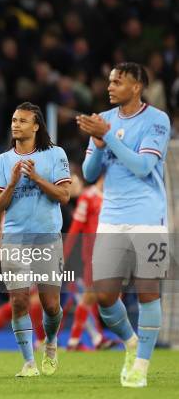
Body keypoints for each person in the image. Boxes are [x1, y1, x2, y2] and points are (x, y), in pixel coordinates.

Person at [77, 62, 171, 388]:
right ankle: (131, 343)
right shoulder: (105, 121)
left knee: (147, 292)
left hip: (148, 217)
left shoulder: (157, 120)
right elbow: (89, 175)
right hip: (112, 217)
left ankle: (141, 366)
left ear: (136, 86)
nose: (110, 86)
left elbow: (143, 167)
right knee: (103, 295)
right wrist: (98, 146)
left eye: (118, 81)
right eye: (109, 81)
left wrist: (107, 139)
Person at [0, 102, 71, 377]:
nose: (16, 124)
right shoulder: (1, 162)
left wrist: (35, 177)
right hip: (15, 240)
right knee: (19, 301)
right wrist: (12, 183)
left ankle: (50, 341)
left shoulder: (55, 154)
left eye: (23, 121)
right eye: (14, 120)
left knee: (51, 306)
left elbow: (63, 196)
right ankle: (28, 363)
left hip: (48, 239)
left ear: (36, 126)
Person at [63, 176, 118, 351]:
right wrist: (64, 255)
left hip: (109, 256)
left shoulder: (113, 197)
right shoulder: (88, 197)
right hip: (88, 257)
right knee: (86, 296)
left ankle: (89, 339)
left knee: (91, 297)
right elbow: (75, 228)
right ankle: (77, 340)